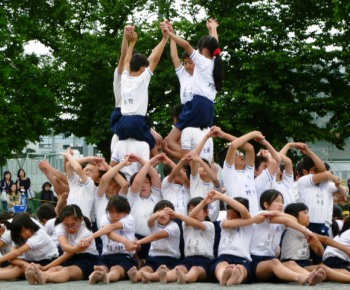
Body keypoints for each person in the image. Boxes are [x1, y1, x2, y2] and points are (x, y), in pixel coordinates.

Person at [161, 19, 223, 156]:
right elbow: (214, 45)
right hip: (208, 108)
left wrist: (170, 34)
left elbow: (186, 45)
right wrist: (213, 29)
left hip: (197, 104)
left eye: (199, 50)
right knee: (193, 138)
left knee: (171, 140)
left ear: (204, 50)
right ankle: (198, 156)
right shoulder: (214, 62)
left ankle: (195, 155)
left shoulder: (202, 61)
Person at [113, 26, 168, 156]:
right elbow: (154, 59)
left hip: (122, 121)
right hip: (134, 119)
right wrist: (165, 38)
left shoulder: (125, 78)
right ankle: (154, 168)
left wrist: (132, 42)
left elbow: (127, 60)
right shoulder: (140, 79)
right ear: (143, 68)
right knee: (152, 146)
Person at [249, 189, 324, 285]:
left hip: (270, 260)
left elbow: (293, 219)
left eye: (282, 202)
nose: (281, 204)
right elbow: (288, 221)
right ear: (266, 205)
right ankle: (300, 277)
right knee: (275, 262)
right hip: (255, 262)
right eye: (277, 201)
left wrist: (276, 212)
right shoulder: (262, 214)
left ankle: (311, 277)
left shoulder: (278, 219)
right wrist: (307, 232)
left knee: (290, 263)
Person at [24, 204, 99, 284]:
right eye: (66, 225)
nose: (70, 228)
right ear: (62, 222)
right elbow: (64, 247)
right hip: (71, 256)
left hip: (88, 259)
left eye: (73, 224)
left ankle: (45, 276)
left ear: (81, 220)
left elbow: (68, 253)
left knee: (67, 270)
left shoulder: (85, 233)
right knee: (55, 269)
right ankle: (36, 277)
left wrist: (44, 268)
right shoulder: (60, 226)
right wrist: (44, 268)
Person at [281, 202, 350, 283]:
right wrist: (345, 249)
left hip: (305, 264)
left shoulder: (306, 231)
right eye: (305, 213)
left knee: (341, 271)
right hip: (294, 264)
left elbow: (320, 252)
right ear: (293, 216)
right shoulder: (294, 229)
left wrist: (315, 242)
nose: (308, 216)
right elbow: (324, 239)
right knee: (322, 269)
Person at [159, 194, 215, 284]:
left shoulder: (209, 225)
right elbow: (190, 218)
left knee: (195, 269)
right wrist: (203, 203)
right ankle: (165, 277)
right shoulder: (186, 225)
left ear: (206, 212)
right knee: (179, 268)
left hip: (205, 261)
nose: (194, 213)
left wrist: (177, 214)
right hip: (188, 259)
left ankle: (186, 278)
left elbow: (196, 223)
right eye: (190, 210)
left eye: (198, 209)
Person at [209, 191, 262, 286]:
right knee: (221, 265)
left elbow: (243, 210)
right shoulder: (225, 222)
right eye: (227, 212)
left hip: (242, 258)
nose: (228, 215)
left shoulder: (248, 224)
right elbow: (226, 224)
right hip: (223, 257)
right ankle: (223, 277)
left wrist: (223, 197)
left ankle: (236, 278)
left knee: (241, 268)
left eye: (231, 213)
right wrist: (253, 220)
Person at [86, 196, 137, 284]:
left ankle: (107, 276)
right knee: (101, 268)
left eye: (118, 212)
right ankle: (96, 275)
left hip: (125, 256)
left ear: (126, 212)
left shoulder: (129, 218)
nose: (114, 215)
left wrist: (92, 236)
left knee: (116, 269)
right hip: (107, 255)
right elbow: (109, 233)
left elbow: (112, 227)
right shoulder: (104, 218)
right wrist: (126, 241)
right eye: (111, 211)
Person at [127, 200, 181, 283]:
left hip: (170, 258)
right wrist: (159, 213)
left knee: (164, 270)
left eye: (166, 212)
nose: (163, 214)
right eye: (159, 211)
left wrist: (138, 242)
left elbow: (156, 236)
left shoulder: (174, 226)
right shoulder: (154, 224)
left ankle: (151, 276)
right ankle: (135, 276)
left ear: (172, 215)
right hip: (153, 257)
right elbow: (149, 220)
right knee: (146, 269)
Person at [0, 213, 58, 281]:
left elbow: (17, 252)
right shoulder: (20, 238)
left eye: (27, 229)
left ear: (31, 225)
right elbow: (12, 256)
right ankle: (30, 269)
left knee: (19, 269)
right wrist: (25, 264)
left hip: (48, 261)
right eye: (22, 232)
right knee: (13, 265)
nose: (26, 233)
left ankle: (35, 273)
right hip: (32, 261)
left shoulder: (39, 235)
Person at [126, 154, 162, 262]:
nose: (143, 185)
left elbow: (155, 176)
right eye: (141, 183)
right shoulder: (132, 199)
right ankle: (137, 262)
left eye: (146, 182)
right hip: (137, 238)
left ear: (151, 186)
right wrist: (149, 163)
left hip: (155, 238)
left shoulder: (156, 196)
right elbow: (137, 182)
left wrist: (142, 160)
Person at [222, 130, 265, 216]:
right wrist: (253, 134)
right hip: (239, 220)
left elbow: (249, 148)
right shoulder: (229, 173)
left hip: (254, 219)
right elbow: (233, 146)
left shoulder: (248, 171)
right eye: (237, 154)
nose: (241, 155)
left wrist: (223, 134)